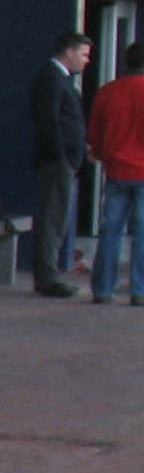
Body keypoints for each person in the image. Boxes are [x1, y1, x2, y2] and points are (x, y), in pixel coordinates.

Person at [31, 33, 94, 296]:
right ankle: (47, 277)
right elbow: (50, 121)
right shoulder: (51, 79)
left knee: (57, 215)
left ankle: (49, 273)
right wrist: (62, 155)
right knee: (53, 217)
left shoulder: (61, 79)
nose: (86, 61)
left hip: (64, 159)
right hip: (57, 161)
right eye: (84, 54)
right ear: (69, 52)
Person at [91, 47, 144, 304]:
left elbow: (95, 133)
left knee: (110, 231)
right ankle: (140, 290)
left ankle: (103, 289)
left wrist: (102, 154)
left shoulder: (107, 92)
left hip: (115, 171)